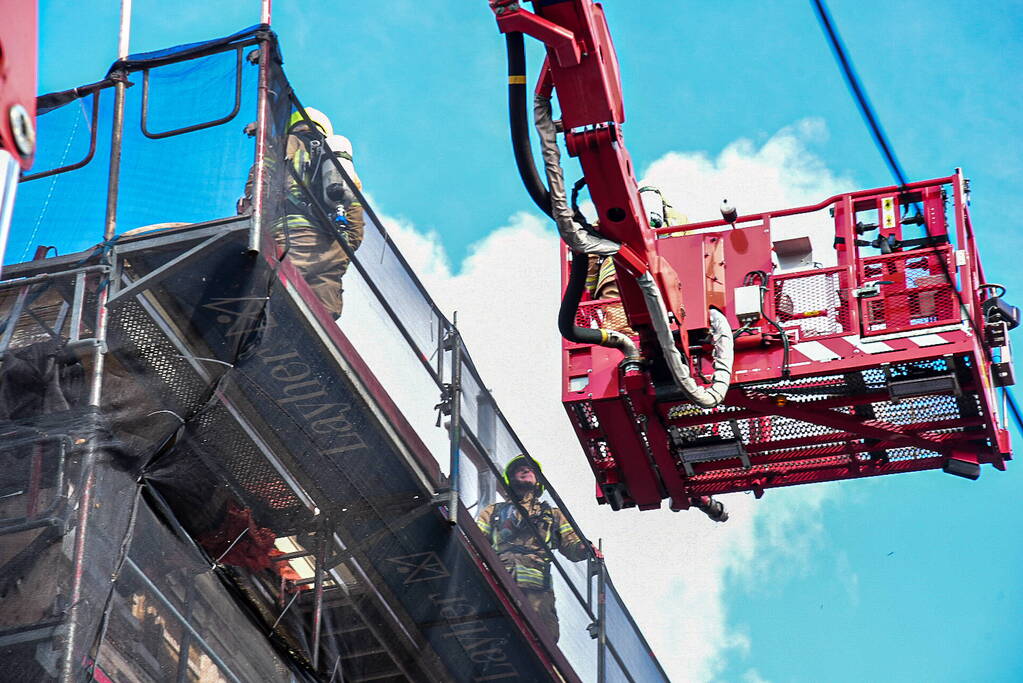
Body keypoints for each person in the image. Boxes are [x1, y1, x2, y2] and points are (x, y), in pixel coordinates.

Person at [241, 107, 365, 318]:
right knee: (320, 316)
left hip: (294, 237)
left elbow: (260, 185)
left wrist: (256, 221)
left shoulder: (283, 144)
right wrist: (341, 248)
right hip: (335, 246)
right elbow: (356, 225)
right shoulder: (341, 166)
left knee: (264, 289)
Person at [476, 454, 597, 642]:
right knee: (492, 630)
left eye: (531, 469)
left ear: (539, 481)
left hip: (537, 590)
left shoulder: (553, 515)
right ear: (510, 479)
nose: (526, 470)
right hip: (499, 577)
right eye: (520, 469)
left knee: (542, 636)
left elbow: (571, 543)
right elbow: (476, 538)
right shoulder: (493, 512)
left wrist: (584, 548)